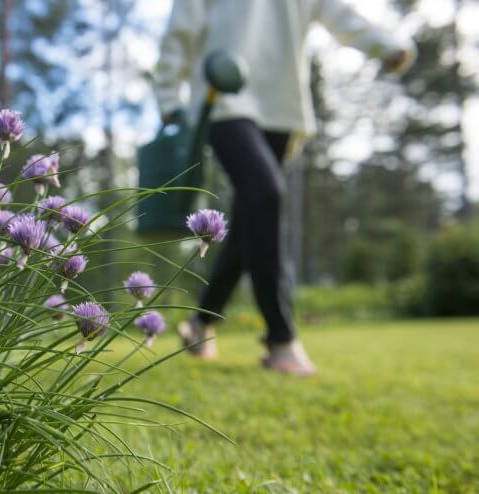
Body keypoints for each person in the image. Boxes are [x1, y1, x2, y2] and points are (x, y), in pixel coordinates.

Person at [155, 0, 415, 375]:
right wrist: (167, 94)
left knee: (248, 224)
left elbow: (340, 14)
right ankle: (281, 338)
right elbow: (180, 29)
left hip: (282, 107)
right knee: (266, 194)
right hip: (223, 94)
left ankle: (199, 323)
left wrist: (385, 45)